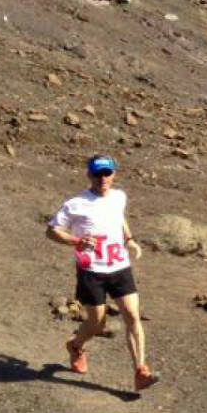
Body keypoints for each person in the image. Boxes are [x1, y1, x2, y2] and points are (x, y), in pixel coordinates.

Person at [46, 155, 159, 393]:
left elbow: (119, 218)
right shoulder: (75, 204)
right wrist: (76, 241)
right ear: (89, 175)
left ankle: (141, 371)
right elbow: (52, 231)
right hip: (91, 271)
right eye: (97, 174)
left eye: (107, 173)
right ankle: (76, 346)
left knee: (132, 316)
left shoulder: (119, 197)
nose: (103, 178)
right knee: (97, 324)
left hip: (119, 266)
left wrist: (129, 240)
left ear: (114, 174)